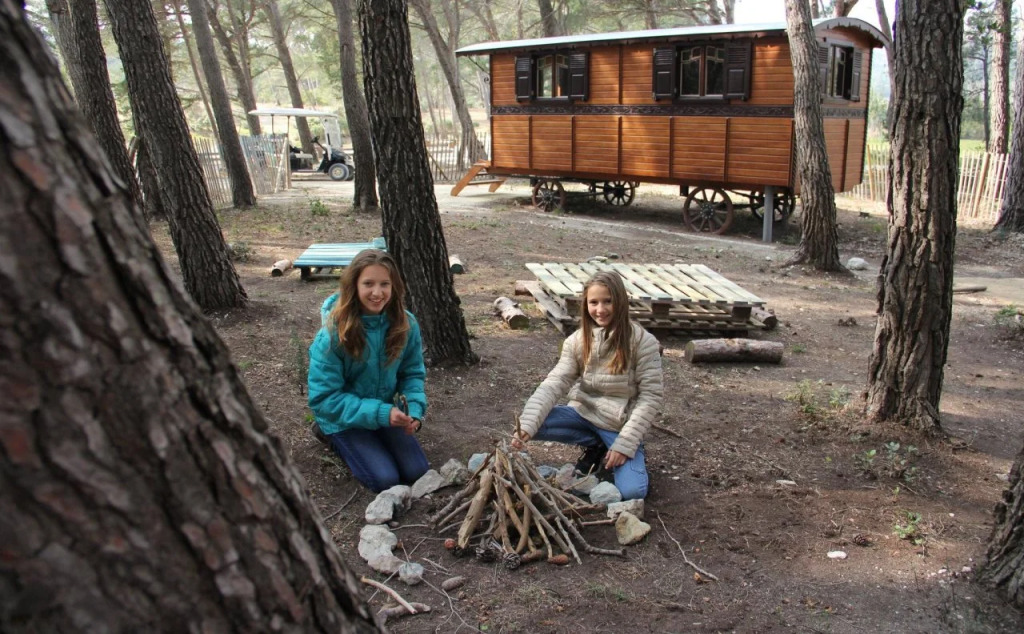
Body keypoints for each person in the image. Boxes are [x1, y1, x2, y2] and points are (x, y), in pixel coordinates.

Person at [513, 271, 663, 500]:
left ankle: (617, 446)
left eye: (608, 301)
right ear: (586, 304)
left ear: (621, 302)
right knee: (529, 423)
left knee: (633, 491)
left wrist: (625, 444)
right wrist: (527, 424)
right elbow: (555, 383)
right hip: (583, 414)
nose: (600, 309)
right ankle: (597, 445)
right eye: (594, 302)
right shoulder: (577, 340)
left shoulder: (643, 342)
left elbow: (650, 397)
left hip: (618, 426)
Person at [307, 249, 429, 492]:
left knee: (416, 471)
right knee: (385, 479)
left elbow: (412, 373)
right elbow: (323, 398)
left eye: (385, 284)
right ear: (354, 285)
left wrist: (414, 410)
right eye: (368, 284)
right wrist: (382, 413)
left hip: (383, 412)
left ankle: (375, 438)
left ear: (394, 286)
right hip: (343, 418)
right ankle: (325, 433)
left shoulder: (406, 324)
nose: (377, 292)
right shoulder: (333, 334)